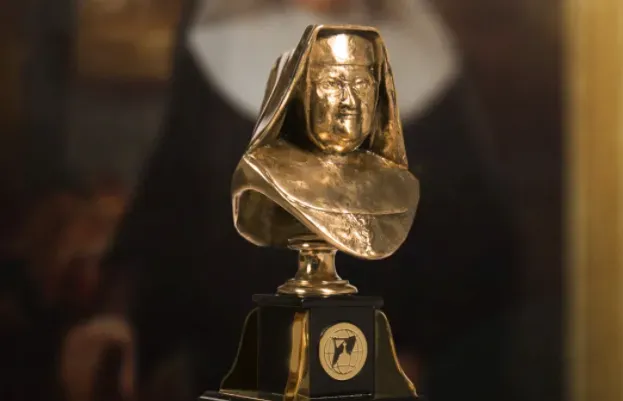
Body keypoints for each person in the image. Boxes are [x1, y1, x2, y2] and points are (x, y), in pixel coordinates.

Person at [105, 1, 519, 400]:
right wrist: (121, 317)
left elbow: (477, 240)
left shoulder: (422, 65)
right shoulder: (221, 47)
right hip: (236, 357)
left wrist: (417, 349)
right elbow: (169, 213)